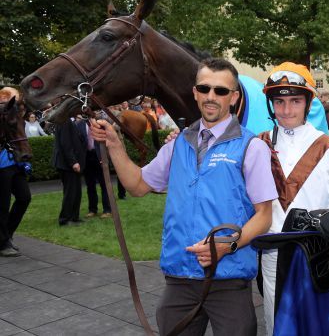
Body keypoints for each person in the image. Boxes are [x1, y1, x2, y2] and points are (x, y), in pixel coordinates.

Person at [90, 57, 277, 335]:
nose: (211, 97)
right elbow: (138, 185)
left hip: (228, 278)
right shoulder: (178, 143)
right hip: (178, 279)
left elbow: (264, 216)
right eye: (204, 89)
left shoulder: (252, 147)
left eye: (221, 91)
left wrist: (229, 245)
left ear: (234, 98)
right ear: (195, 93)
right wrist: (115, 145)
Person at [258, 62, 329, 335]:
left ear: (308, 103)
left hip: (318, 257)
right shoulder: (258, 146)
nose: (286, 110)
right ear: (271, 104)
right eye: (279, 101)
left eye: (295, 100)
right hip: (273, 257)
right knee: (277, 328)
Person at [0, 88, 32, 257]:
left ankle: (7, 235)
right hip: (1, 164)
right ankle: (3, 242)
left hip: (14, 161)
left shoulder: (13, 115)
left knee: (24, 197)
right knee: (2, 205)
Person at [53, 118, 86, 226]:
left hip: (70, 164)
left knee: (76, 192)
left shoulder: (68, 121)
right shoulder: (64, 121)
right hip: (67, 165)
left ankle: (74, 217)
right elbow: (65, 144)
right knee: (70, 192)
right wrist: (73, 162)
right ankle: (65, 219)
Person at [76, 118, 111, 218]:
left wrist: (105, 157)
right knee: (90, 185)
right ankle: (92, 209)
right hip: (87, 157)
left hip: (100, 156)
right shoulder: (80, 124)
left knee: (104, 184)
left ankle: (107, 209)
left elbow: (108, 139)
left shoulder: (101, 122)